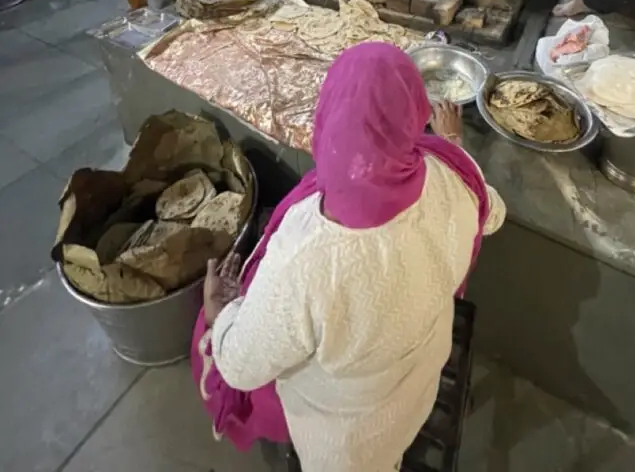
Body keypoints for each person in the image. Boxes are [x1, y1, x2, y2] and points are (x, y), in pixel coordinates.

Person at [192, 42, 506, 472]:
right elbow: (493, 212)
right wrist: (452, 143)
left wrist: (220, 314)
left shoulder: (307, 256)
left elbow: (241, 368)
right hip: (418, 382)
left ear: (326, 125)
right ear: (415, 116)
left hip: (346, 441)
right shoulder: (453, 180)